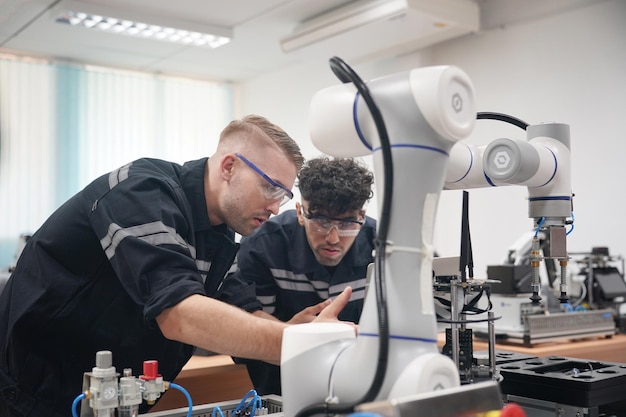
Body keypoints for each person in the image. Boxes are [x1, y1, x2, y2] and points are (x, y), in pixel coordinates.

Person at [0, 115, 353, 417]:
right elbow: (180, 314)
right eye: (270, 188)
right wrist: (296, 343)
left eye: (283, 196)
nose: (276, 208)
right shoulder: (140, 192)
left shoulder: (217, 236)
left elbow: (241, 309)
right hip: (30, 394)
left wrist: (294, 331)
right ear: (229, 167)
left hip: (110, 399)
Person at [219, 156, 376, 395]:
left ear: (361, 217)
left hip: (363, 388)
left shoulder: (384, 244)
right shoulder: (264, 245)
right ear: (301, 212)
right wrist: (290, 334)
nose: (333, 238)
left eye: (346, 224)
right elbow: (246, 322)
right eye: (321, 221)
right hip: (282, 390)